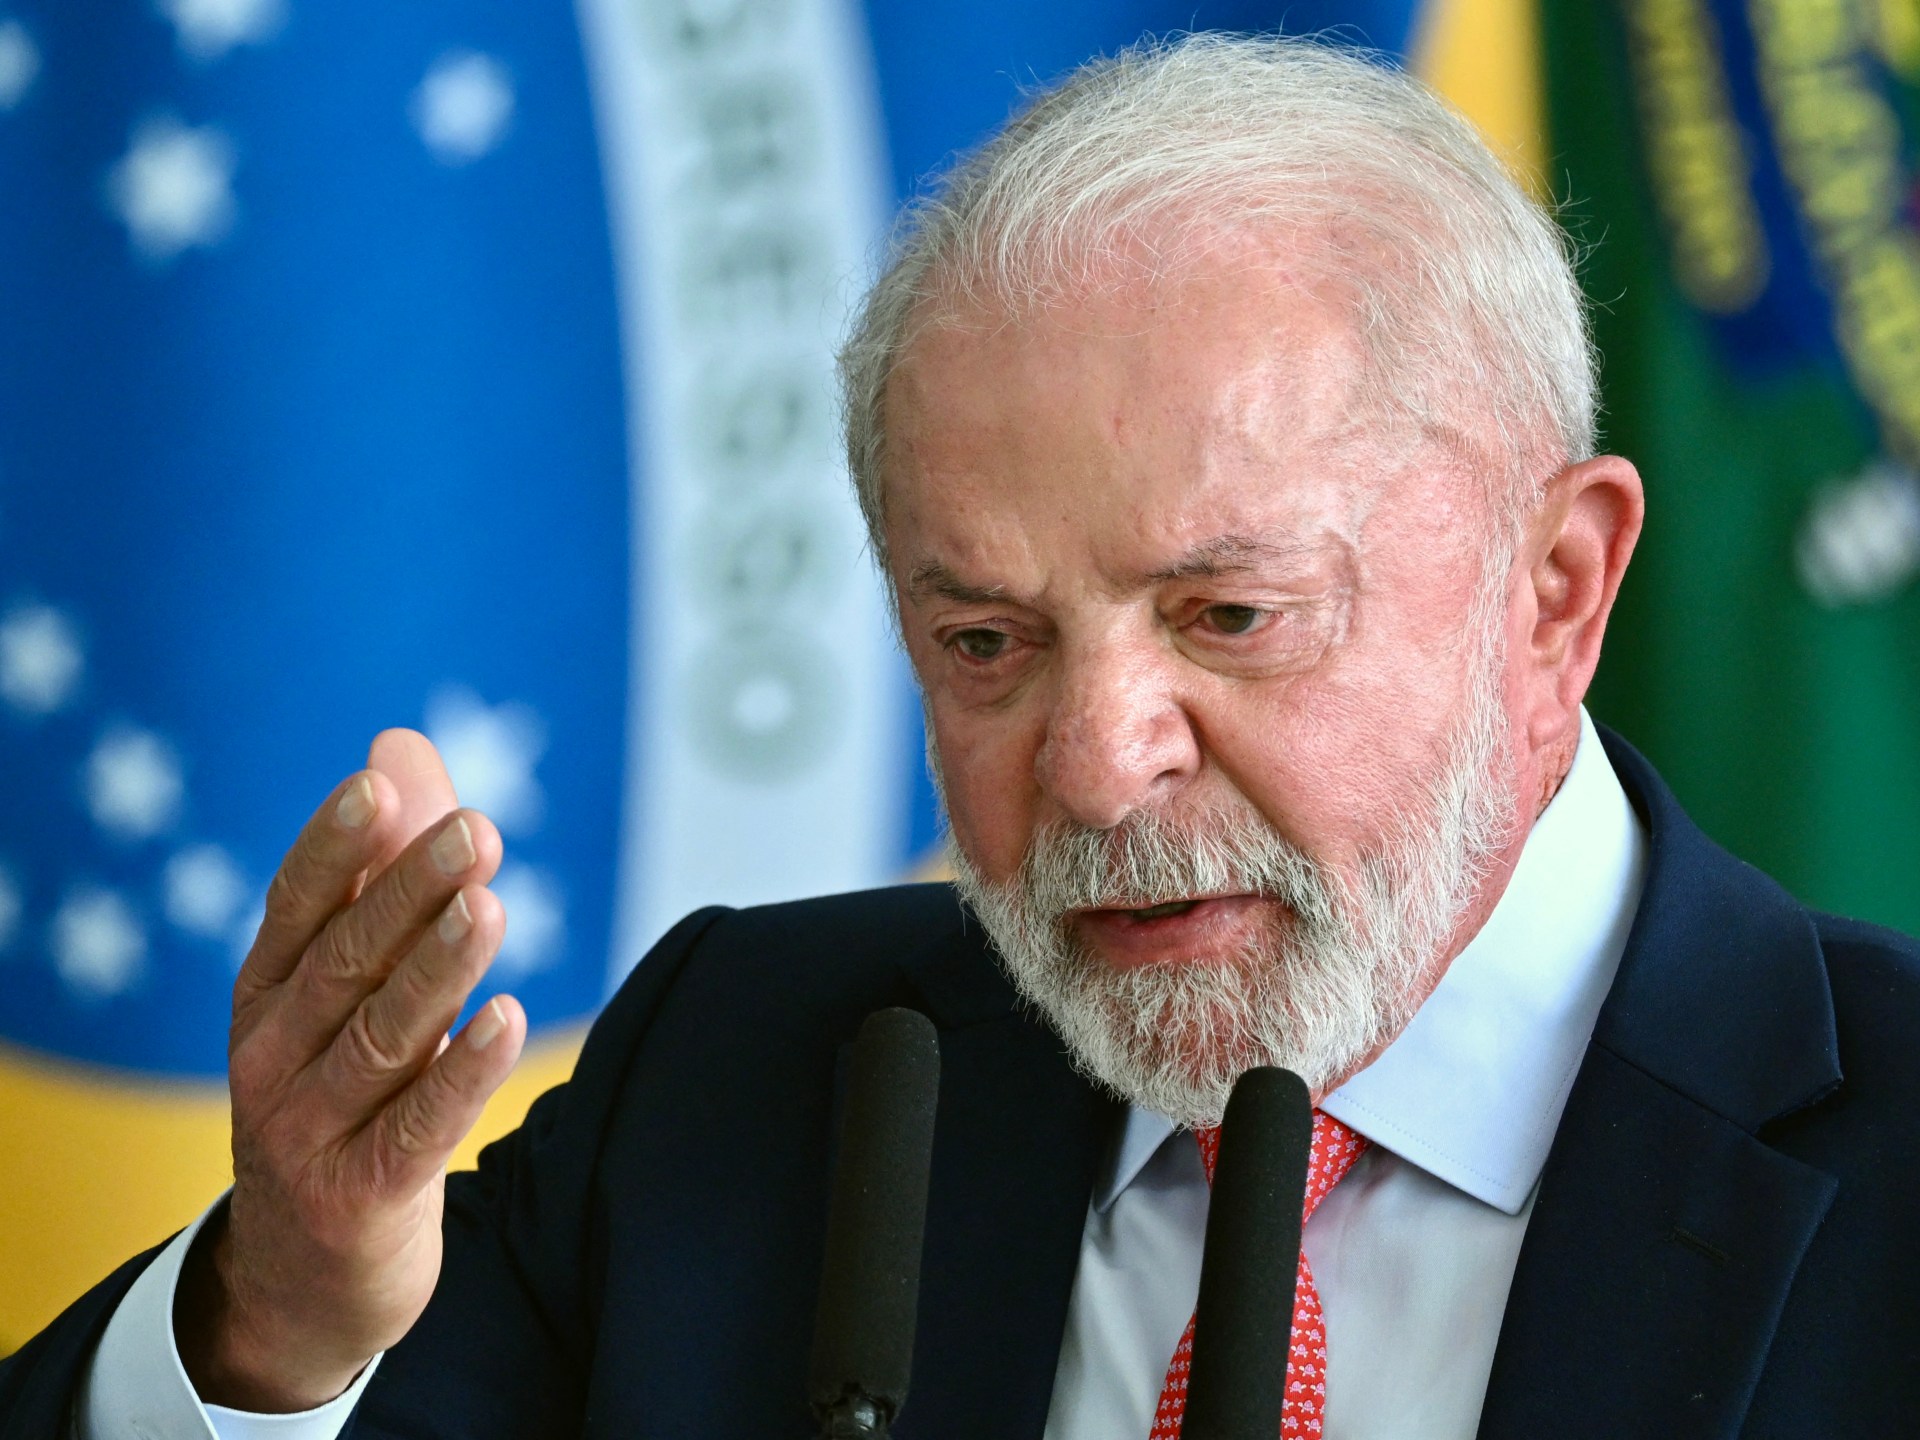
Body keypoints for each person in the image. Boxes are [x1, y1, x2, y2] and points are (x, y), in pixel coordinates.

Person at [6, 32, 1920, 1439]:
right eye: (986, 643)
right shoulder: (745, 1076)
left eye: (1229, 618)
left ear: (1555, 588)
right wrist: (280, 1321)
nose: (1093, 764)